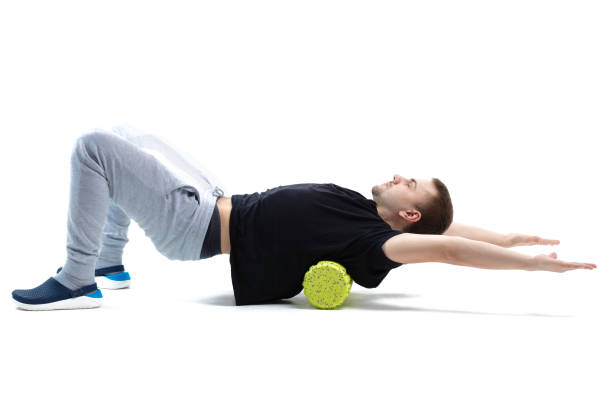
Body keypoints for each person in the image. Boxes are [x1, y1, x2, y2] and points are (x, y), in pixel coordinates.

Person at [11, 126, 597, 310]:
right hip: (216, 196)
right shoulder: (370, 211)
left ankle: (78, 276)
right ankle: (111, 263)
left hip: (193, 228)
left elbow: (443, 248)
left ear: (408, 213)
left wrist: (528, 266)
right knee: (130, 138)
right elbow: (446, 231)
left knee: (94, 148)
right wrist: (509, 234)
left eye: (408, 183)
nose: (398, 174)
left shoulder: (377, 244)